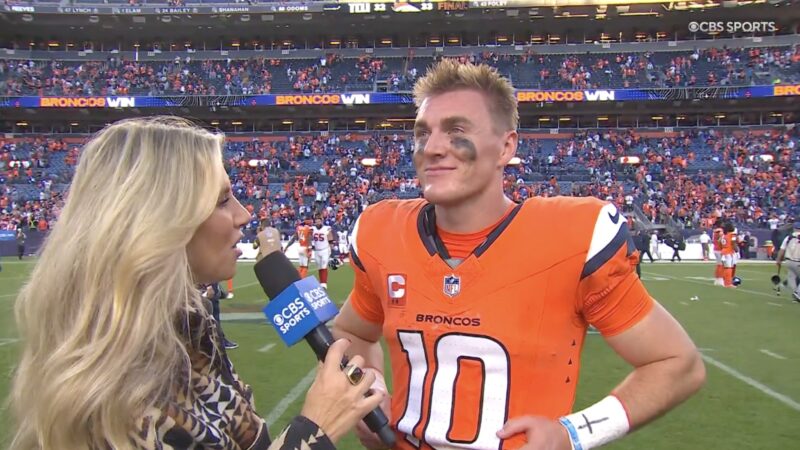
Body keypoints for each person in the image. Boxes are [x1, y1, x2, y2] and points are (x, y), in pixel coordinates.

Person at [332, 61, 705, 450]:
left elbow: (678, 364)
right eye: (422, 133)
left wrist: (573, 433)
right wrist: (370, 392)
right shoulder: (382, 231)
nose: (433, 147)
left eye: (456, 130)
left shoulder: (569, 236)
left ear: (506, 147)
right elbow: (353, 331)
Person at [10, 117, 383, 450]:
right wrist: (316, 429)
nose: (244, 214)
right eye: (222, 200)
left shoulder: (190, 334)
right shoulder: (109, 395)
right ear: (159, 223)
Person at [776, 221, 800, 302]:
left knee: (792, 278)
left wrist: (778, 260)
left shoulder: (788, 237)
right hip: (798, 261)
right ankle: (797, 293)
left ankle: (796, 296)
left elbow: (782, 250)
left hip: (788, 260)